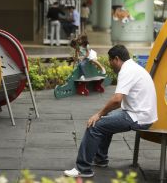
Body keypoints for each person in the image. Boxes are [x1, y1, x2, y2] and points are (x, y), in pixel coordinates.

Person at [64, 44, 158, 177]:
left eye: (110, 60)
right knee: (105, 121)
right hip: (141, 114)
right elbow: (119, 101)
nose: (109, 64)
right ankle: (100, 159)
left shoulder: (127, 71)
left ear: (117, 59)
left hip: (139, 117)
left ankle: (83, 168)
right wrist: (104, 114)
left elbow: (116, 100)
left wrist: (98, 114)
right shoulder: (133, 67)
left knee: (95, 125)